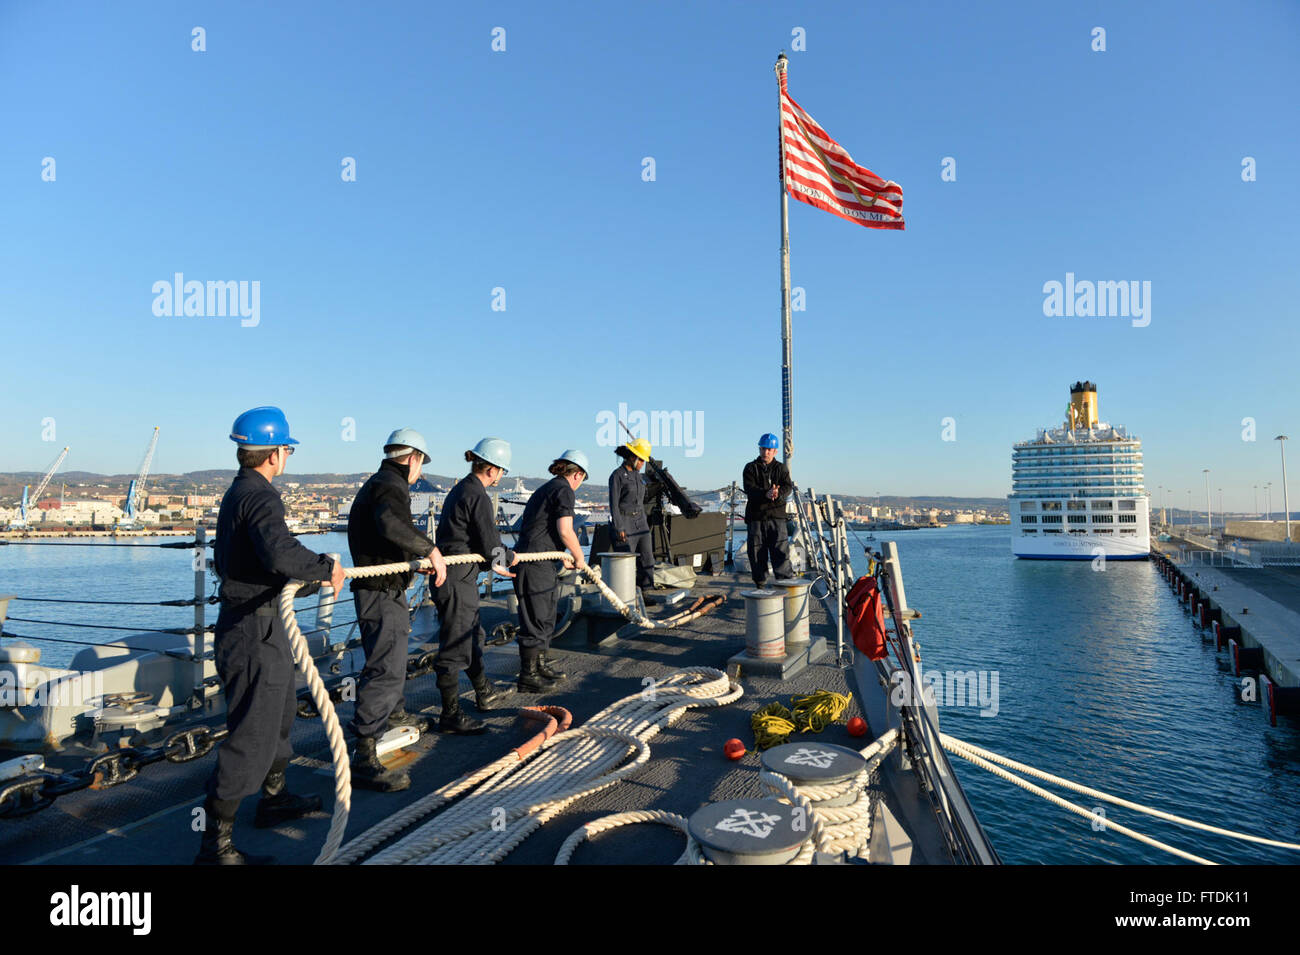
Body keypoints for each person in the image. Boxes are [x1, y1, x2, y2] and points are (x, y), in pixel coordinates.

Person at [196, 407, 345, 865]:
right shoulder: (261, 496)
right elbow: (279, 551)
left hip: (262, 626)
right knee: (253, 734)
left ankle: (274, 799)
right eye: (287, 449)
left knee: (278, 716)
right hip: (252, 630)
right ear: (276, 453)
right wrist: (326, 569)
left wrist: (313, 562)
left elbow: (268, 551)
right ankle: (215, 847)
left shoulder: (242, 491)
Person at [346, 428, 449, 792]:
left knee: (389, 658)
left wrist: (410, 561)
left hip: (383, 586)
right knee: (386, 667)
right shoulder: (392, 484)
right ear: (414, 459)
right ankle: (364, 755)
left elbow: (381, 535)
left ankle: (387, 720)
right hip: (379, 591)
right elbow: (390, 524)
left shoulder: (380, 481)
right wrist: (430, 551)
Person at [432, 437, 518, 733]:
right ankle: (450, 714)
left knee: (471, 636)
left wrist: (497, 558)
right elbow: (489, 538)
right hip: (457, 578)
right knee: (455, 645)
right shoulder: (477, 495)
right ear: (493, 469)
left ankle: (485, 691)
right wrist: (506, 558)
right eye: (502, 471)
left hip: (459, 576)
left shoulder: (461, 489)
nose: (501, 477)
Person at [513, 450, 588, 692]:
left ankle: (540, 665)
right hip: (534, 562)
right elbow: (566, 529)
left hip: (542, 561)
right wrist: (579, 557)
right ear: (577, 474)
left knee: (545, 616)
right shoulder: (564, 490)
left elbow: (548, 530)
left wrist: (562, 555)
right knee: (536, 618)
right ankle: (528, 675)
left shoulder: (551, 488)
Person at [608, 438, 657, 605]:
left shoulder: (638, 476)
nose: (643, 463)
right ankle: (627, 595)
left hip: (640, 520)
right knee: (627, 560)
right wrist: (618, 527)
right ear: (631, 457)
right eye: (641, 459)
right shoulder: (617, 476)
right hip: (625, 520)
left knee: (647, 557)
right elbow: (613, 504)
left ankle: (645, 591)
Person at [743, 433, 793, 588]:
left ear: (775, 451)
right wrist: (766, 493)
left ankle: (784, 584)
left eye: (769, 449)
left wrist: (778, 493)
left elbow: (787, 486)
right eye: (763, 449)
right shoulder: (750, 468)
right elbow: (749, 489)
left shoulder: (781, 468)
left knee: (780, 550)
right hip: (756, 516)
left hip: (777, 516)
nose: (766, 452)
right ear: (759, 449)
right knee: (757, 552)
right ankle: (760, 584)